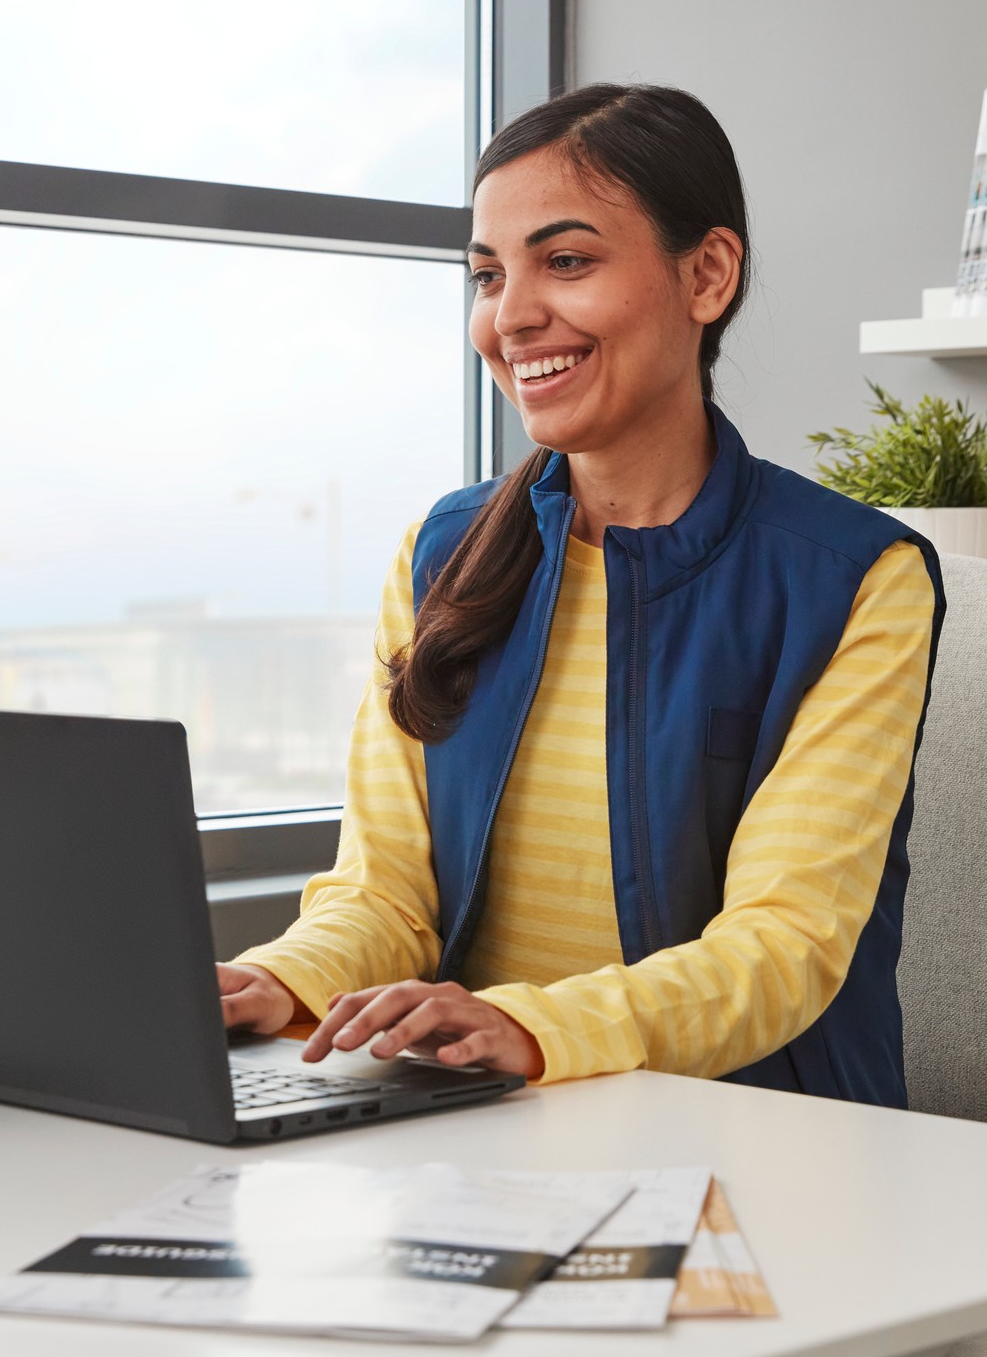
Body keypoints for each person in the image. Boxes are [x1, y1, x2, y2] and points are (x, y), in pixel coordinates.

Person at [216, 82, 945, 1107]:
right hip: (485, 1125)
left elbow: (785, 945)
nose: (510, 316)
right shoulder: (443, 554)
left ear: (706, 274)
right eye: (485, 274)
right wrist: (276, 977)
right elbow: (384, 889)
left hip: (760, 1135)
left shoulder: (854, 577)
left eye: (565, 261)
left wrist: (529, 1022)